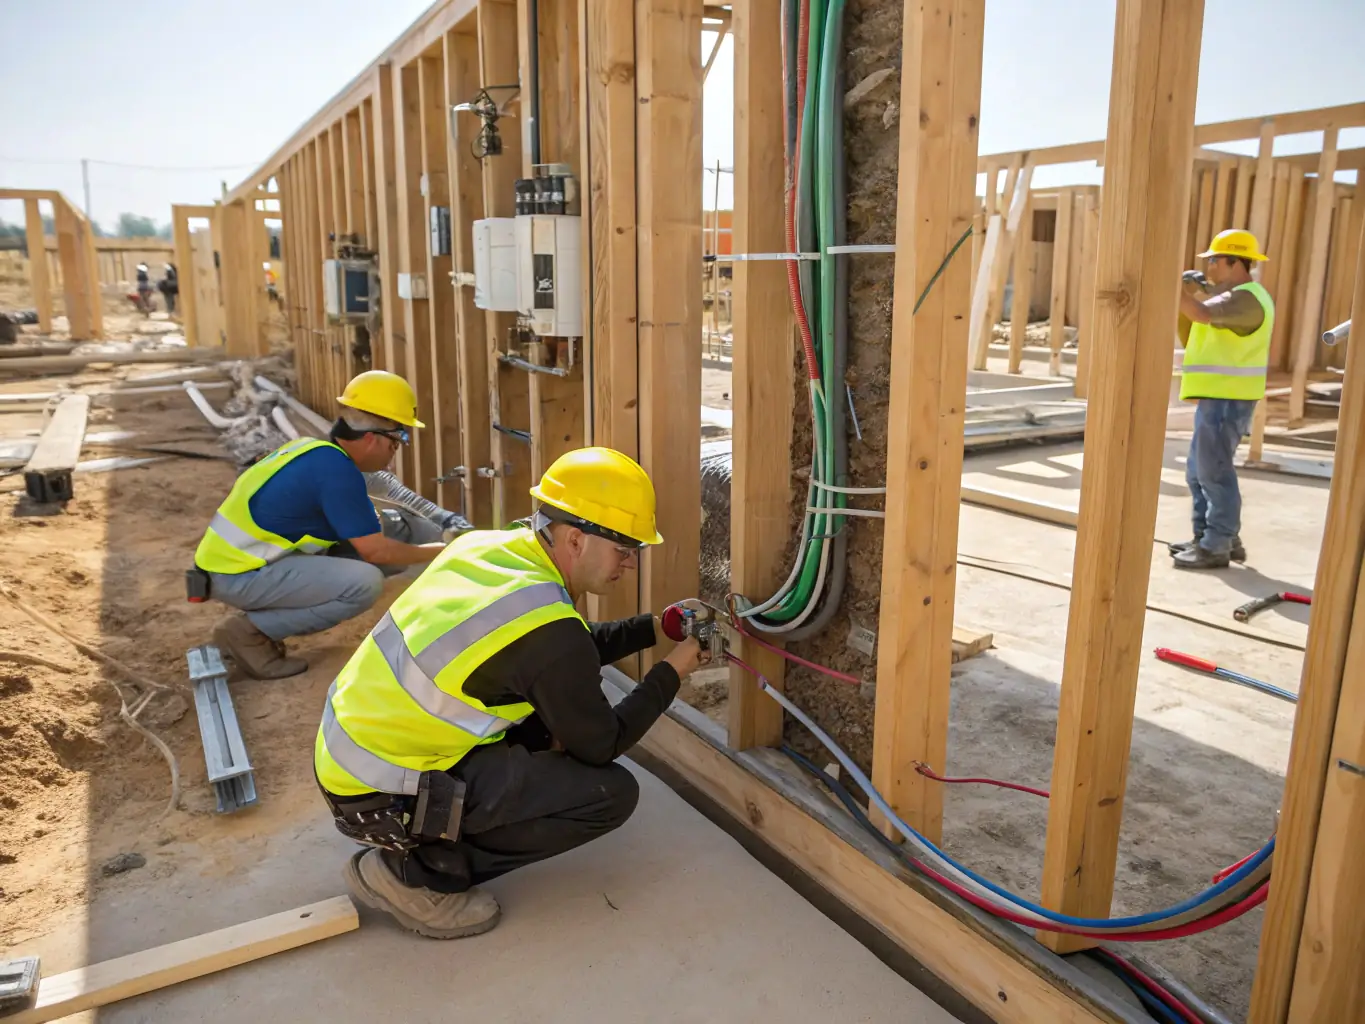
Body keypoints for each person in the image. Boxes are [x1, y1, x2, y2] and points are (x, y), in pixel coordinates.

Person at [314, 447, 709, 939]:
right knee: (609, 793)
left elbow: (566, 653)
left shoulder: (488, 549)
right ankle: (415, 877)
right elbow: (601, 742)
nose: (629, 564)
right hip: (379, 794)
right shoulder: (546, 628)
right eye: (624, 550)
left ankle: (419, 844)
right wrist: (673, 671)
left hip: (350, 752)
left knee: (549, 721)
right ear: (576, 539)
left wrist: (656, 627)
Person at [192, 370, 466, 679]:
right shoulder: (336, 472)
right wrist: (443, 551)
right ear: (371, 438)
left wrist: (446, 522)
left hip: (249, 562)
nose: (396, 450)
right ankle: (248, 633)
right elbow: (376, 552)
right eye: (398, 439)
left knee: (395, 526)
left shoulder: (320, 453)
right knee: (363, 582)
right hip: (238, 574)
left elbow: (388, 488)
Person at [1170, 229, 1275, 570]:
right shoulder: (1229, 297)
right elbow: (1199, 322)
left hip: (1229, 399)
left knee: (1213, 472)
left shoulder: (1247, 299)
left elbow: (1201, 315)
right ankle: (1213, 538)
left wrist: (1171, 287)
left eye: (1213, 260)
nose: (1210, 267)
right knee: (1197, 472)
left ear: (1233, 262)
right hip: (1217, 398)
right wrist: (1193, 291)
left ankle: (1217, 545)